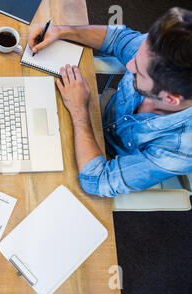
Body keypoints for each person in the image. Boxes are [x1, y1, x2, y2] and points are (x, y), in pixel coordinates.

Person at [29, 7, 192, 197]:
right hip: (94, 116)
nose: (129, 65)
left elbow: (96, 180)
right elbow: (117, 39)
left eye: (138, 72)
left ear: (170, 99)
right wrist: (61, 31)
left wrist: (80, 112)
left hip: (107, 160)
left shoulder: (179, 150)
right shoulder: (162, 52)